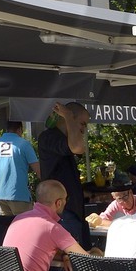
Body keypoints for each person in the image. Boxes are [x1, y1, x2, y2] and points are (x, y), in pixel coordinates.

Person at [36, 102, 90, 250]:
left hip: (71, 211)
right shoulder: (49, 137)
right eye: (82, 124)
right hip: (63, 213)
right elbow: (78, 147)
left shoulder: (60, 139)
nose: (83, 130)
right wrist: (68, 116)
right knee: (72, 263)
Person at [0, 120, 39, 216]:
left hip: (0, 194)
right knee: (24, 227)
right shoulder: (24, 144)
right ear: (20, 129)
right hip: (19, 194)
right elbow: (37, 169)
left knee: (8, 227)